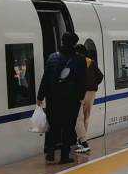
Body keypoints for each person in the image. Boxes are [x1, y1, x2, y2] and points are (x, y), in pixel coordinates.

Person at [37, 32, 86, 164]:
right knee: (68, 127)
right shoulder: (80, 59)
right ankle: (64, 156)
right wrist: (81, 97)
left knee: (54, 126)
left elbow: (45, 79)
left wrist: (40, 96)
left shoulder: (52, 57)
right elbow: (82, 81)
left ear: (62, 42)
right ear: (75, 44)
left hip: (53, 98)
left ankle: (51, 152)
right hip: (71, 99)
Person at [74, 40, 104, 154]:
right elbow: (100, 76)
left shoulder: (76, 63)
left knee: (78, 118)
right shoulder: (91, 62)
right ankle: (82, 140)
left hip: (80, 93)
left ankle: (83, 142)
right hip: (92, 93)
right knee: (86, 117)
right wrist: (93, 83)